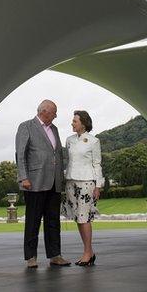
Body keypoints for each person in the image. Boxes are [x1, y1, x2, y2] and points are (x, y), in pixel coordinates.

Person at [15, 100, 70, 268]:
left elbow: (58, 154)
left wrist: (62, 177)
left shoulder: (54, 129)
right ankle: (31, 257)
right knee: (33, 220)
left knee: (53, 220)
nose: (56, 115)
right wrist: (23, 177)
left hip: (54, 182)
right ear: (44, 111)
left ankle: (55, 255)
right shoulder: (26, 126)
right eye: (54, 112)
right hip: (33, 181)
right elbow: (20, 154)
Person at [63, 110, 103, 266]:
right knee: (78, 218)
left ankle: (87, 252)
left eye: (75, 121)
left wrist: (98, 186)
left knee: (84, 218)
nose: (72, 123)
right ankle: (89, 252)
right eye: (72, 121)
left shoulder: (94, 141)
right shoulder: (69, 140)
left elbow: (97, 164)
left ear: (83, 123)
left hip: (87, 182)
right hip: (71, 182)